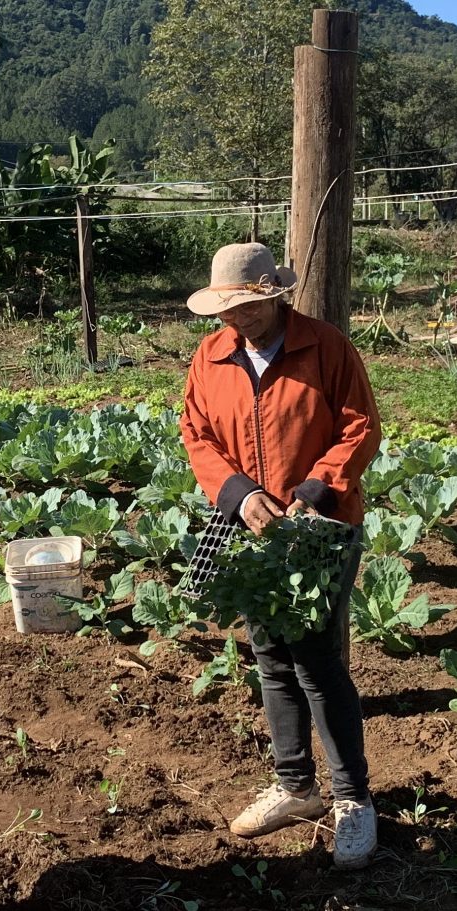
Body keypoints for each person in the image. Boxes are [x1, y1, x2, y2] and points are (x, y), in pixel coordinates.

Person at [177, 242, 383, 870]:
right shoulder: (210, 358)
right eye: (227, 310)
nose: (236, 319)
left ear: (274, 296)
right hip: (249, 528)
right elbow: (197, 433)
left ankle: (353, 799)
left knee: (318, 660)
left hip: (322, 527)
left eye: (248, 307)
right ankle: (295, 787)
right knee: (270, 657)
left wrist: (315, 491)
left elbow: (360, 426)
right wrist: (237, 494)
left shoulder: (327, 347)